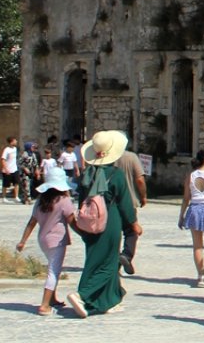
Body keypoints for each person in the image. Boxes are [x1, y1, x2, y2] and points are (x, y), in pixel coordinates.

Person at [66, 130, 141, 319]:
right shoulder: (115, 175)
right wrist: (133, 223)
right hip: (110, 220)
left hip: (89, 219)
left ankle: (109, 299)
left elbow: (82, 199)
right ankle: (82, 294)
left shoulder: (86, 174)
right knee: (109, 262)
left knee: (94, 258)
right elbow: (125, 203)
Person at [16, 168, 77, 316]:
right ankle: (44, 305)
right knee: (54, 271)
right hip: (57, 241)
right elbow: (72, 221)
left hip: (43, 240)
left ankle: (53, 298)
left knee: (52, 267)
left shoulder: (40, 201)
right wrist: (85, 234)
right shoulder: (64, 201)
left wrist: (22, 241)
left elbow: (32, 222)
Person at [179, 149, 204, 287]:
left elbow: (186, 198)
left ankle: (200, 277)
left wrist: (181, 216)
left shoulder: (191, 176)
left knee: (197, 246)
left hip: (194, 208)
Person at [115, 148, 147, 275]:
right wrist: (143, 195)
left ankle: (114, 264)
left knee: (114, 233)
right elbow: (140, 180)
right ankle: (126, 255)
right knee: (131, 231)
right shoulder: (131, 157)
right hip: (129, 200)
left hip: (111, 202)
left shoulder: (107, 159)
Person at [0, 137, 20, 203]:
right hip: (7, 170)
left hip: (14, 169)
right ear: (11, 142)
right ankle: (3, 197)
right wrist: (6, 169)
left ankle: (16, 197)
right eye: (15, 140)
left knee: (16, 183)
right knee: (5, 185)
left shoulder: (15, 149)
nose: (16, 141)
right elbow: (3, 159)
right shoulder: (6, 150)